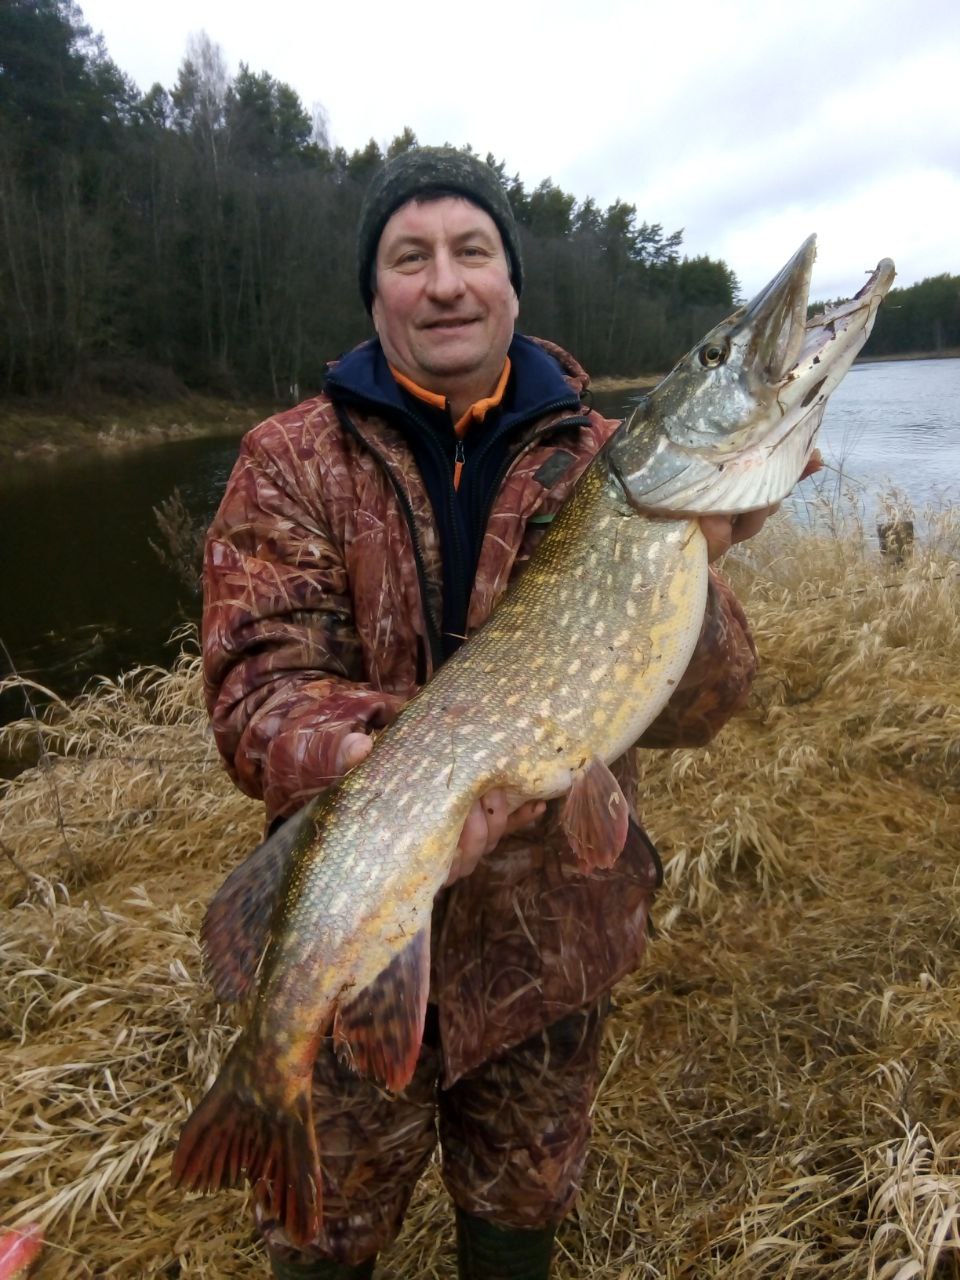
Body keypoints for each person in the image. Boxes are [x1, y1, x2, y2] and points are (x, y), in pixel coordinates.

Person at [201, 147, 766, 1280]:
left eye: (473, 252)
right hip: (359, 919)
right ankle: (262, 1102)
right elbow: (254, 689)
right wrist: (382, 766)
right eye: (411, 257)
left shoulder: (610, 459)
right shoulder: (291, 459)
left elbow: (707, 704)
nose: (446, 281)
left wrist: (690, 571)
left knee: (519, 1216)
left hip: (550, 947)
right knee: (319, 1238)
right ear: (377, 293)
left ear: (513, 284)